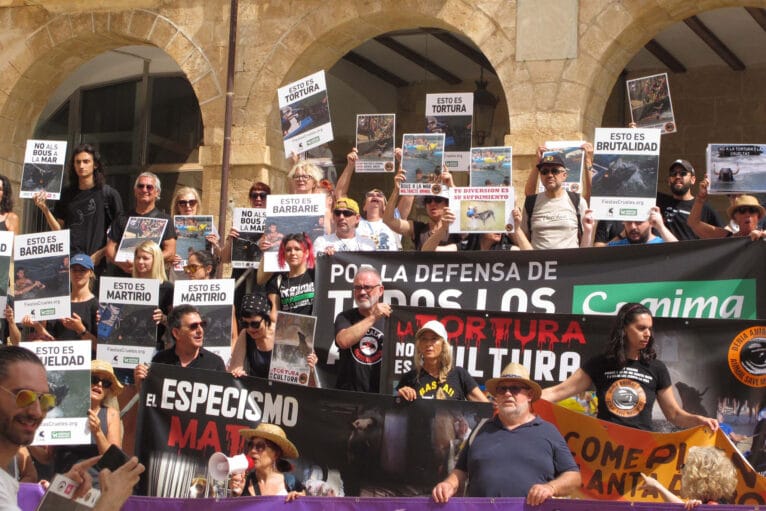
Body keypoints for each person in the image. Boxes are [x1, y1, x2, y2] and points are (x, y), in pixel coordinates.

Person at [0, 345, 144, 511]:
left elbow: (112, 454)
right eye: (23, 396)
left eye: (45, 400)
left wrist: (58, 497)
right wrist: (109, 503)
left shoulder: (6, 484)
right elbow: (48, 456)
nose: (36, 411)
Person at [541, 302, 719, 432]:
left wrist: (698, 420)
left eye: (650, 328)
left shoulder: (657, 368)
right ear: (624, 329)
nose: (647, 333)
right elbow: (557, 392)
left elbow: (674, 415)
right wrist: (525, 396)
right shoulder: (599, 363)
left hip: (640, 449)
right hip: (603, 447)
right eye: (641, 328)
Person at [431, 362, 581, 503]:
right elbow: (461, 471)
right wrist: (448, 484)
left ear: (529, 395)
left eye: (515, 388)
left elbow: (573, 477)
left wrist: (551, 488)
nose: (508, 393)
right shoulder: (480, 429)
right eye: (502, 389)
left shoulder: (549, 431)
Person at [33, 144, 122, 272]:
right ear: (73, 165)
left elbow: (119, 232)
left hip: (96, 265)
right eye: (78, 162)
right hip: (69, 264)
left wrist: (100, 254)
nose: (81, 166)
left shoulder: (108, 194)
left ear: (95, 165)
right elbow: (59, 231)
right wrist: (44, 209)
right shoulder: (66, 194)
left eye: (86, 162)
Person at [30, 360, 123, 477]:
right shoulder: (63, 411)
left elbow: (115, 462)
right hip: (63, 483)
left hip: (96, 485)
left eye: (106, 383)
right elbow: (47, 457)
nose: (99, 385)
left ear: (108, 390)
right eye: (94, 379)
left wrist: (98, 432)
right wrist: (28, 441)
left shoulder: (111, 414)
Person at [133, 304, 226, 387]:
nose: (200, 330)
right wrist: (140, 384)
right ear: (176, 333)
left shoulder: (215, 363)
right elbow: (151, 402)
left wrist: (236, 379)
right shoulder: (160, 361)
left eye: (202, 324)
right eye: (193, 326)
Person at [104, 172, 177, 277]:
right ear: (135, 191)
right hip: (124, 276)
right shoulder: (122, 218)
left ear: (157, 192)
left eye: (149, 187)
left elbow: (170, 252)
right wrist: (122, 264)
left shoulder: (165, 219)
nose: (144, 190)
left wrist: (147, 262)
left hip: (152, 278)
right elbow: (109, 249)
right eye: (140, 186)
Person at [21, 254, 98, 352]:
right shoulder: (60, 302)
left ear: (90, 273)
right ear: (69, 272)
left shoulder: (96, 306)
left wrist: (81, 329)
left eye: (83, 270)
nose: (78, 273)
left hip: (87, 364)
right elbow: (51, 340)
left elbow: (99, 347)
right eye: (74, 270)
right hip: (61, 363)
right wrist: (37, 325)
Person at [396, 320, 488, 402]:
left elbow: (485, 409)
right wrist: (400, 397)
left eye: (434, 339)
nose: (428, 344)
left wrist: (464, 419)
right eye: (424, 339)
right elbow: (393, 415)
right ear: (419, 345)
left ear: (443, 344)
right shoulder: (409, 377)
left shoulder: (459, 374)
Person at [520, 152, 594, 249]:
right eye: (544, 172)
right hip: (540, 263)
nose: (549, 175)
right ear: (541, 176)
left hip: (569, 262)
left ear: (564, 175)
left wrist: (588, 161)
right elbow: (524, 238)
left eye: (554, 171)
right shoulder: (531, 203)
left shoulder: (578, 201)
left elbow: (587, 239)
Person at [334, 267, 390, 393]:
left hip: (381, 399)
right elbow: (343, 341)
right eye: (358, 288)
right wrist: (373, 317)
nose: (362, 292)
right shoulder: (345, 317)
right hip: (348, 398)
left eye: (368, 287)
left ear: (380, 290)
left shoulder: (391, 319)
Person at [221, 181, 270, 305]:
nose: (258, 199)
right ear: (250, 198)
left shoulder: (275, 223)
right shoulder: (239, 221)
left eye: (263, 196)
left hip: (264, 279)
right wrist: (230, 240)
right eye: (254, 195)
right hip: (240, 277)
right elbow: (225, 259)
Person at [639, 446, 737, 507]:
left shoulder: (712, 506)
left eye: (686, 466)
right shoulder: (715, 503)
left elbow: (681, 508)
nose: (682, 469)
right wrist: (658, 487)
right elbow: (680, 507)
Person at [229, 422, 304, 501]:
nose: (253, 451)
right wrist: (236, 496)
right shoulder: (245, 483)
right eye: (251, 445)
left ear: (276, 454)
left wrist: (299, 501)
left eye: (260, 446)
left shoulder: (292, 483)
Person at [383, 168, 455, 250]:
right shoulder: (418, 228)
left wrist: (451, 186)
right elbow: (388, 220)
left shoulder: (456, 229)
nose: (432, 203)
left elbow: (468, 213)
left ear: (447, 204)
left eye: (438, 200)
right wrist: (396, 190)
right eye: (428, 200)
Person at [656, 159, 723, 240]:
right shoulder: (658, 201)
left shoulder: (703, 207)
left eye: (683, 173)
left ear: (693, 179)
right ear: (669, 181)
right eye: (673, 174)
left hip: (690, 252)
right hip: (665, 252)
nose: (677, 176)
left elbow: (724, 236)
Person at [258, 233, 316, 323]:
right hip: (288, 332)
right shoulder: (277, 281)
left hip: (314, 331)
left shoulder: (316, 275)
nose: (292, 253)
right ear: (284, 254)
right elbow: (274, 314)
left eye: (297, 249)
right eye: (288, 250)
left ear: (307, 253)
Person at [688, 179, 766, 240]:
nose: (747, 214)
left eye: (752, 210)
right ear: (735, 218)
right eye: (742, 210)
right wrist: (701, 198)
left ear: (759, 217)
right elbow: (693, 223)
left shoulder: (764, 235)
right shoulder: (726, 237)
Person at [132, 240, 173, 351]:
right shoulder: (126, 286)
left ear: (156, 260)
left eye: (145, 258)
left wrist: (163, 318)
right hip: (126, 346)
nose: (140, 261)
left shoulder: (168, 288)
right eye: (137, 257)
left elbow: (176, 323)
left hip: (154, 348)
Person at [171, 186, 220, 269]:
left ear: (197, 204)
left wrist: (215, 245)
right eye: (183, 203)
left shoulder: (208, 225)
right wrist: (170, 258)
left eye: (192, 202)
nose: (188, 206)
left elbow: (218, 258)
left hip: (201, 277)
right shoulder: (170, 226)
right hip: (178, 276)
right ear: (177, 206)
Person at [606, 206, 678, 245]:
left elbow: (679, 256)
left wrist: (661, 227)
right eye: (628, 221)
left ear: (651, 222)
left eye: (639, 222)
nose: (633, 226)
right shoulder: (617, 247)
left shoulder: (662, 244)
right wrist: (593, 226)